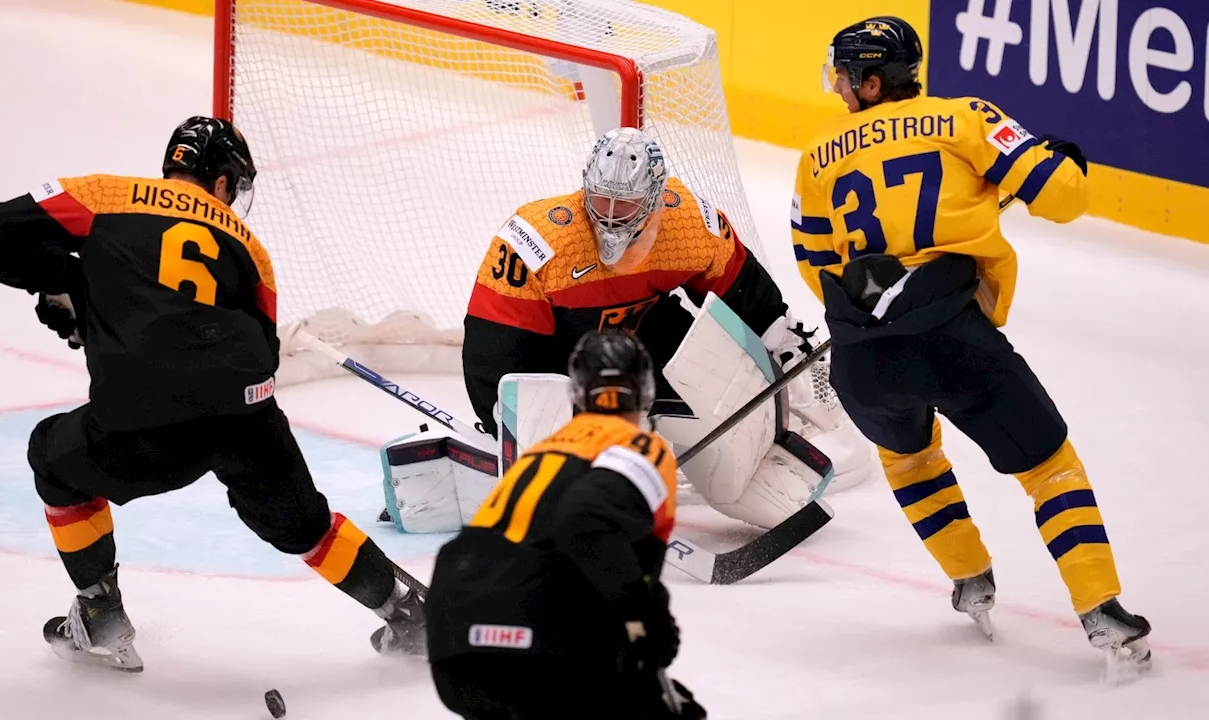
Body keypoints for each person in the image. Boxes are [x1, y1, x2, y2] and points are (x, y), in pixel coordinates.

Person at [0, 116, 426, 672]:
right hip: (245, 416)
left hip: (142, 421)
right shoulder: (248, 243)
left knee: (54, 461)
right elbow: (266, 352)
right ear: (223, 181)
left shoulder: (104, 195)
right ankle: (414, 615)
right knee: (305, 524)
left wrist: (69, 280)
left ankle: (100, 612)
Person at [789, 16, 1151, 675]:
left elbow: (815, 265)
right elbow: (1065, 198)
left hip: (861, 357)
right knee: (1049, 468)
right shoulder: (967, 118)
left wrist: (884, 289)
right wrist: (1048, 161)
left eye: (844, 77)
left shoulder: (817, 158)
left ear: (872, 83)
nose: (838, 89)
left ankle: (969, 580)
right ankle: (1101, 609)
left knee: (910, 462)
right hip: (956, 338)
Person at [459, 126, 870, 530]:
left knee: (720, 377)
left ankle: (748, 464)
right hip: (557, 362)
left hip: (638, 343)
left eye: (626, 205)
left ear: (656, 198)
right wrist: (508, 424)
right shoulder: (537, 242)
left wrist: (785, 347)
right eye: (602, 200)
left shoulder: (689, 226)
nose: (610, 216)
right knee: (547, 425)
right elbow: (496, 351)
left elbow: (746, 294)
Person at [426, 330, 704, 720]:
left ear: (578, 393)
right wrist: (645, 618)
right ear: (644, 391)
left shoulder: (542, 451)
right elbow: (585, 521)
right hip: (541, 650)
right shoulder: (641, 447)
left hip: (454, 648)